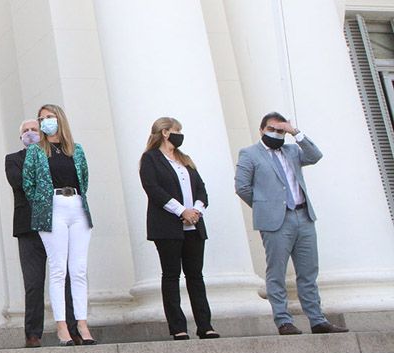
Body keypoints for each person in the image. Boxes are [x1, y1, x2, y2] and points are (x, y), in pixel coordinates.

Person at [235, 112, 348, 336]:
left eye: (280, 130)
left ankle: (317, 320)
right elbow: (242, 187)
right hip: (276, 220)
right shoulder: (249, 153)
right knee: (276, 271)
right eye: (271, 129)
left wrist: (294, 132)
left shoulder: (292, 150)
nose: (275, 134)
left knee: (308, 271)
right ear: (261, 129)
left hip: (303, 216)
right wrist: (265, 206)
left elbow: (315, 155)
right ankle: (283, 320)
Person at [22, 104, 96, 346]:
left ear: (60, 119)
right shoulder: (36, 151)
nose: (45, 122)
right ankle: (62, 326)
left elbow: (83, 179)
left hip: (76, 205)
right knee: (58, 269)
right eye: (41, 118)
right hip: (52, 208)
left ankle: (82, 324)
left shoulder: (77, 149)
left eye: (49, 117)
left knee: (78, 269)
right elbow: (28, 183)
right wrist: (43, 202)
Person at [138, 117, 218, 341]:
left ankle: (205, 325)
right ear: (165, 132)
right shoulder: (150, 159)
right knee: (171, 275)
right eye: (176, 130)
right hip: (167, 227)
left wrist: (196, 211)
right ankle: (178, 327)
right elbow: (153, 188)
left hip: (194, 226)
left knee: (195, 276)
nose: (179, 134)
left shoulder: (185, 159)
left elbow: (201, 188)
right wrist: (182, 211)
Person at [5, 119, 79, 348]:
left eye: (33, 130)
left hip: (57, 222)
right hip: (28, 226)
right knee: (33, 282)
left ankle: (72, 328)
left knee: (65, 276)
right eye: (25, 130)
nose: (29, 133)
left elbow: (66, 179)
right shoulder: (14, 159)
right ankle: (33, 333)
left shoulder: (56, 157)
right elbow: (20, 183)